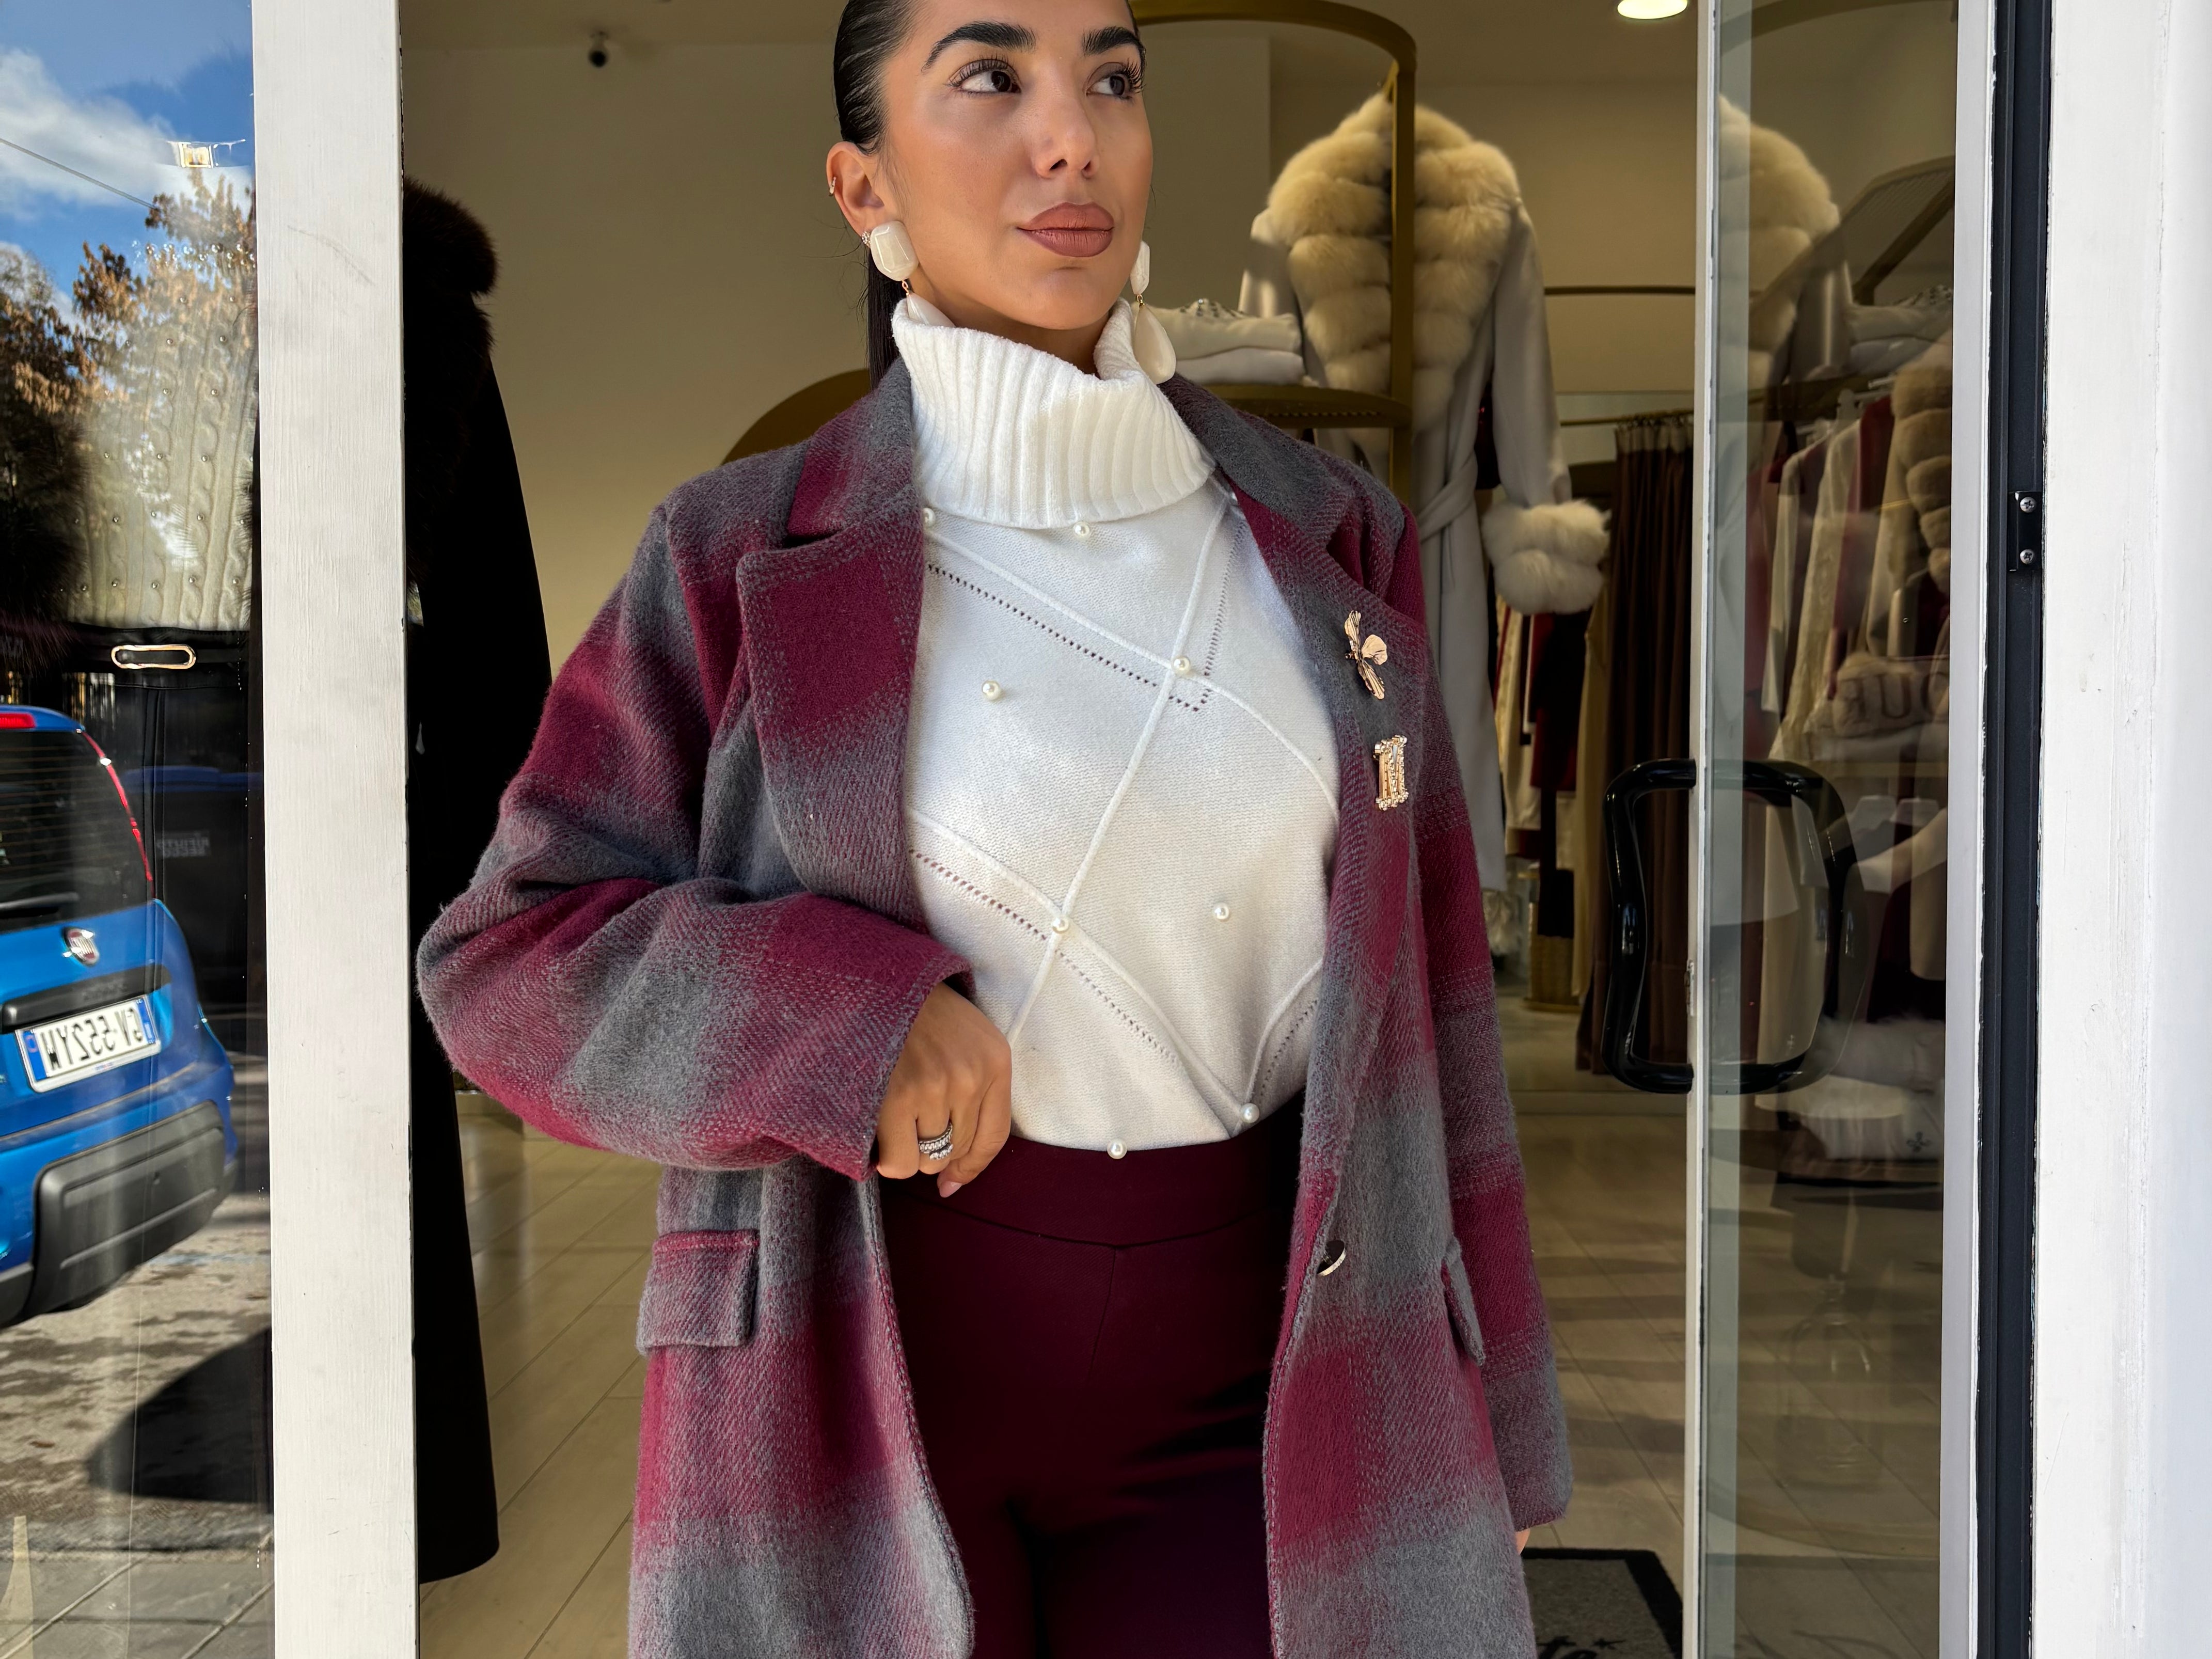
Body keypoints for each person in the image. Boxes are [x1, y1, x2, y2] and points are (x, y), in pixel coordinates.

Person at [417, 0, 1569, 1653]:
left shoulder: (1330, 534)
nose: (1070, 134)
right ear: (862, 185)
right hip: (857, 1372)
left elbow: (1434, 994)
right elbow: (506, 963)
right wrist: (845, 1026)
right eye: (988, 77)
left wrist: (1500, 1411)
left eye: (1112, 77)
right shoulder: (735, 555)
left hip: (1268, 1374)